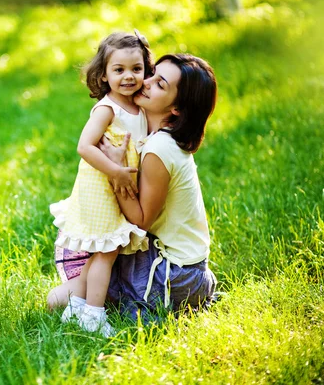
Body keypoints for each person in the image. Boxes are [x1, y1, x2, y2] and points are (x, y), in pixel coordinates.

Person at [48, 53, 218, 334]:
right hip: (180, 263)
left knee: (61, 298)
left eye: (160, 84)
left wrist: (116, 169)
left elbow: (140, 221)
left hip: (173, 273)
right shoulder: (151, 139)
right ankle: (85, 303)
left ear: (176, 109)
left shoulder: (159, 149)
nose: (146, 82)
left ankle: (91, 311)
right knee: (75, 286)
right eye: (152, 74)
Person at [49, 31, 155, 337]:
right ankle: (93, 315)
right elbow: (84, 146)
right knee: (106, 253)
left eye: (136, 69)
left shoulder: (137, 106)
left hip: (116, 189)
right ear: (104, 75)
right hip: (102, 191)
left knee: (102, 253)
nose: (128, 76)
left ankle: (75, 308)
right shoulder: (107, 108)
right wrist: (117, 172)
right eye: (118, 70)